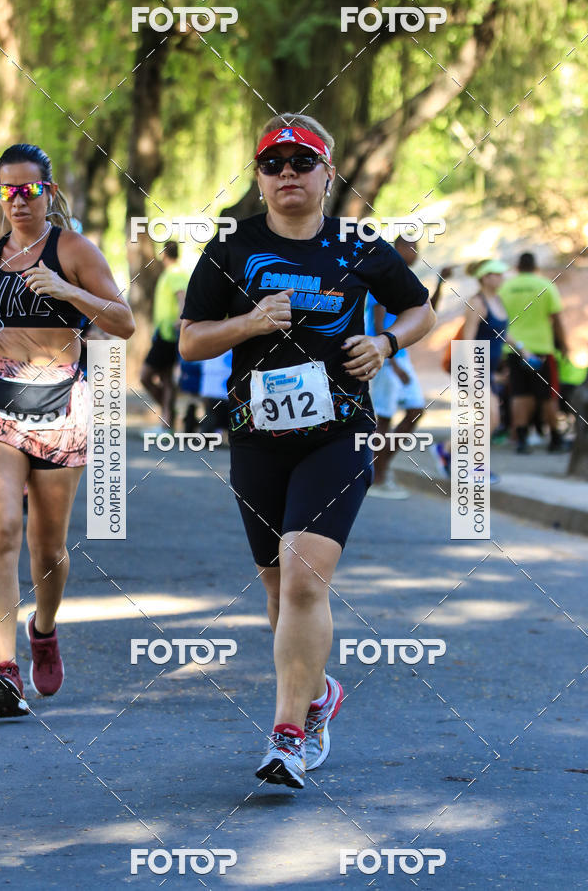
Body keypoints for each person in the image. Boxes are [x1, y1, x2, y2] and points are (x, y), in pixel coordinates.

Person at [179, 115, 435, 788]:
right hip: (256, 436)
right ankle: (318, 694)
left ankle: (288, 734)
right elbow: (190, 340)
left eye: (302, 161)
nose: (287, 173)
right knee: (275, 589)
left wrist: (385, 344)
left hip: (339, 430)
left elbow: (421, 309)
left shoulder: (358, 244)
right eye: (273, 164)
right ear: (260, 177)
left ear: (326, 172)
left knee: (301, 579)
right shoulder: (232, 247)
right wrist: (249, 322)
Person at [0, 143, 134, 718]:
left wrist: (69, 290)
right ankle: (3, 670)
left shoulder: (72, 248)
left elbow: (121, 323)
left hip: (61, 409)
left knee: (46, 548)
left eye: (30, 189)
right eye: (8, 190)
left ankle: (42, 629)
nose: (19, 200)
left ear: (48, 191)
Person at [433, 259, 509, 482]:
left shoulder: (499, 301)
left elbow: (503, 333)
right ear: (485, 277)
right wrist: (475, 373)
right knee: (491, 417)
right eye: (497, 274)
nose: (502, 277)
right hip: (473, 367)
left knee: (489, 419)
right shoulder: (477, 302)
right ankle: (474, 467)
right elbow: (467, 339)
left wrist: (524, 351)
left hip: (488, 369)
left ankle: (445, 450)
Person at [366, 236, 429, 498]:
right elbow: (379, 324)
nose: (416, 252)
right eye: (412, 247)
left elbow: (424, 308)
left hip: (400, 355)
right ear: (398, 248)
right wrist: (390, 358)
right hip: (385, 353)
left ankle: (378, 469)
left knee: (415, 410)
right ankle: (377, 477)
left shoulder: (406, 278)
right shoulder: (385, 275)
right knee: (384, 417)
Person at [498, 252, 568, 453]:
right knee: (548, 395)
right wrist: (563, 344)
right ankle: (555, 439)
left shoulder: (505, 287)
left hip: (514, 349)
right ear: (534, 266)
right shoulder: (545, 285)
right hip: (541, 349)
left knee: (519, 394)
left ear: (517, 266)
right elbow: (557, 319)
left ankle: (521, 439)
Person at [140, 242, 190, 430]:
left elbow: (181, 296)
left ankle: (168, 415)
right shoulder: (174, 273)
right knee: (167, 379)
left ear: (163, 254)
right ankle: (167, 419)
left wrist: (181, 318)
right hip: (164, 332)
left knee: (146, 376)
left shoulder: (175, 273)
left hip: (168, 334)